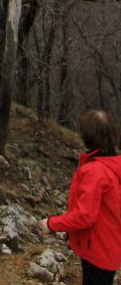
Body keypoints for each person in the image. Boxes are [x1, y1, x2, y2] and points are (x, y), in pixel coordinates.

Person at [40, 109, 121, 285]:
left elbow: (85, 216)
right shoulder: (114, 163)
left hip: (98, 250)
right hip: (109, 246)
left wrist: (51, 224)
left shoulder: (95, 170)